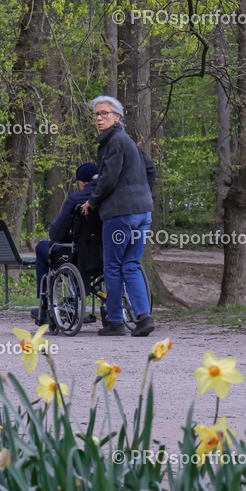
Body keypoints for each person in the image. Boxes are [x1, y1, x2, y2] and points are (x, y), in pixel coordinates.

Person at [80, 96, 157, 337]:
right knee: (131, 264)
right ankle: (144, 317)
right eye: (96, 114)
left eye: (105, 113)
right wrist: (140, 193)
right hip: (142, 212)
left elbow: (108, 179)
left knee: (113, 267)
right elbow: (150, 168)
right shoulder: (128, 141)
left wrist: (92, 201)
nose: (99, 118)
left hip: (120, 215)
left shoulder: (113, 141)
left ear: (117, 117)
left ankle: (114, 320)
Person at [31, 162, 99, 324]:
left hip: (79, 254)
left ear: (82, 183)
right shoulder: (113, 196)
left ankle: (45, 306)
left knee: (42, 247)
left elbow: (56, 234)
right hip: (105, 254)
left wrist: (68, 235)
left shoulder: (77, 198)